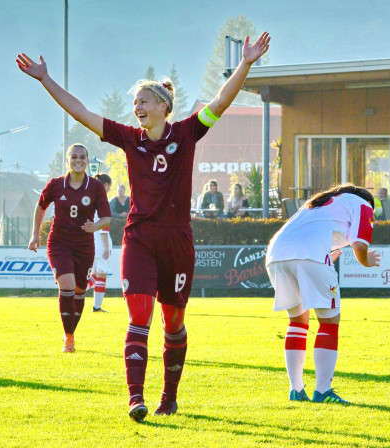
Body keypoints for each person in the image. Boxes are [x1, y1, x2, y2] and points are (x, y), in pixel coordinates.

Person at [17, 30, 270, 421]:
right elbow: (81, 111)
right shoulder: (129, 138)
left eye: (144, 101)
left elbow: (221, 100)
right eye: (134, 102)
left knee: (174, 323)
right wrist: (46, 79)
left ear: (164, 106)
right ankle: (136, 398)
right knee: (139, 317)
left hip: (177, 243)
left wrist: (247, 62)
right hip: (139, 240)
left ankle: (170, 396)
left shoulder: (187, 132)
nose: (137, 107)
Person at [265, 184, 381, 404]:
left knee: (297, 321)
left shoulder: (316, 203)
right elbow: (359, 245)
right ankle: (323, 392)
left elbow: (308, 233)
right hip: (309, 255)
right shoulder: (363, 203)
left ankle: (296, 390)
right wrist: (367, 262)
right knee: (329, 322)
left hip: (276, 255)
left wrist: (323, 256)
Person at [29, 144, 111, 353]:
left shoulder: (96, 186)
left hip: (84, 246)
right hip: (60, 243)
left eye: (82, 157)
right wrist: (35, 234)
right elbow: (40, 206)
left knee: (79, 291)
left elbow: (106, 217)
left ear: (87, 160)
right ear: (67, 160)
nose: (78, 160)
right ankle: (69, 338)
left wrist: (96, 225)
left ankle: (71, 331)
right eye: (74, 156)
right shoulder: (56, 185)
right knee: (66, 286)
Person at [89, 173, 113, 313]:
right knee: (101, 274)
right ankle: (97, 307)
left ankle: (73, 293)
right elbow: (104, 228)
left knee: (94, 275)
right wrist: (106, 247)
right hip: (100, 244)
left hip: (90, 242)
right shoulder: (103, 202)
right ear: (105, 185)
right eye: (109, 186)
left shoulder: (89, 200)